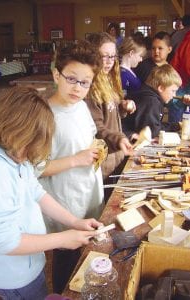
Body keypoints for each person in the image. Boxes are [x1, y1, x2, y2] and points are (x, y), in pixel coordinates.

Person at [0, 87, 102, 300]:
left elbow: (36, 192)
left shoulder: (10, 151)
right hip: (13, 275)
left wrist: (74, 222)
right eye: (29, 146)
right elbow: (4, 240)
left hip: (28, 264)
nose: (30, 154)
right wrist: (61, 239)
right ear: (13, 131)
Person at [38, 40, 104, 294]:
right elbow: (35, 169)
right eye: (71, 79)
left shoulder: (82, 106)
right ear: (57, 74)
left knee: (85, 261)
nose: (78, 88)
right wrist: (76, 160)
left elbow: (86, 139)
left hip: (88, 196)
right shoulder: (44, 115)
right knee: (66, 263)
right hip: (65, 205)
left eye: (85, 82)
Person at [85, 32, 134, 198]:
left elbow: (111, 113)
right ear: (92, 55)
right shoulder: (90, 88)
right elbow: (97, 129)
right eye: (103, 56)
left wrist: (123, 107)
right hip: (104, 161)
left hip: (116, 156)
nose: (108, 62)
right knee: (107, 201)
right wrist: (119, 139)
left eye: (112, 57)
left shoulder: (108, 80)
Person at [122, 64, 182, 138]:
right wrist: (175, 127)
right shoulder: (151, 101)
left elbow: (155, 125)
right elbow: (152, 131)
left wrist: (177, 125)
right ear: (161, 88)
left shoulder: (149, 96)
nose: (174, 95)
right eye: (173, 91)